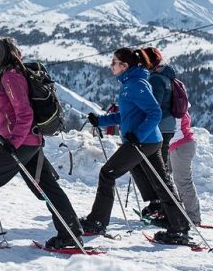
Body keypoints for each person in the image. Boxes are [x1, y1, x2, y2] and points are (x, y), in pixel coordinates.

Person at [0, 36, 83, 249]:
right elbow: (5, 113)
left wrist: (13, 142)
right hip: (28, 141)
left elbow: (24, 114)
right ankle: (70, 234)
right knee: (46, 187)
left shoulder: (10, 77)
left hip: (21, 142)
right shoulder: (4, 76)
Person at [80, 48, 190, 244]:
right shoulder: (131, 83)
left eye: (114, 62)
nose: (111, 65)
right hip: (148, 140)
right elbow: (127, 114)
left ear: (125, 66)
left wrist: (137, 135)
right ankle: (179, 228)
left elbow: (154, 112)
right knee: (162, 183)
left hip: (143, 141)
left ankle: (97, 221)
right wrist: (101, 121)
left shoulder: (136, 84)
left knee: (107, 173)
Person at [132, 47, 179, 219]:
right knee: (150, 166)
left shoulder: (156, 79)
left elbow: (153, 107)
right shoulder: (164, 76)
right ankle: (157, 204)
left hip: (159, 128)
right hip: (165, 127)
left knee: (154, 168)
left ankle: (162, 207)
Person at [168, 110, 202, 225]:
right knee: (164, 175)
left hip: (180, 145)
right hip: (180, 144)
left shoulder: (174, 104)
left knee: (183, 181)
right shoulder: (179, 103)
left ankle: (193, 217)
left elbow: (173, 127)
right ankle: (171, 210)